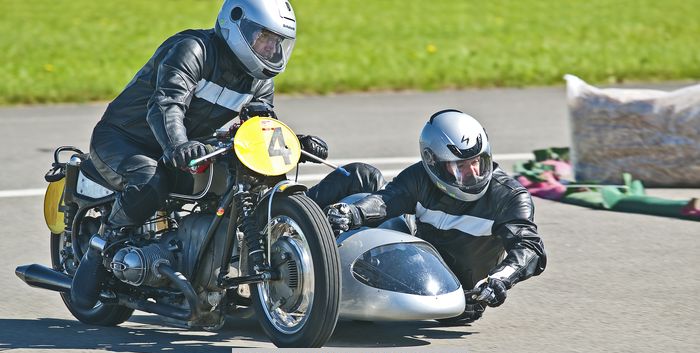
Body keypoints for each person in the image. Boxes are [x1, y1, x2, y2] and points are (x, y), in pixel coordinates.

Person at [71, 0, 329, 309]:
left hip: (188, 146)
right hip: (126, 139)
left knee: (243, 180)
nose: (271, 48)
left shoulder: (260, 80)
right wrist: (178, 145)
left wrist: (294, 145)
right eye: (264, 38)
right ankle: (103, 243)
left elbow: (259, 127)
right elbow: (166, 104)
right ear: (237, 25)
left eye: (277, 42)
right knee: (150, 182)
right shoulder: (194, 49)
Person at [325, 109, 547, 323]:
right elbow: (387, 201)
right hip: (410, 260)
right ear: (434, 164)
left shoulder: (509, 197)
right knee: (361, 176)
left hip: (456, 299)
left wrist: (501, 279)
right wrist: (352, 213)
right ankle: (296, 219)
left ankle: (328, 268)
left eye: (477, 161)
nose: (473, 174)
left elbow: (529, 247)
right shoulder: (420, 178)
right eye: (460, 166)